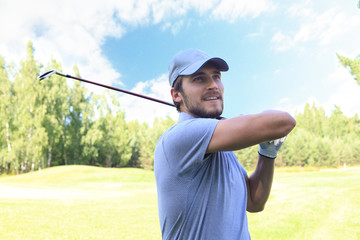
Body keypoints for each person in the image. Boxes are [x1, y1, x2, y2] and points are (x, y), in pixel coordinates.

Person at [154, 49, 296, 240]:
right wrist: (245, 121)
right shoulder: (183, 135)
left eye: (216, 77)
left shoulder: (222, 149)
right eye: (199, 79)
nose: (213, 85)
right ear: (176, 94)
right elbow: (284, 121)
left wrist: (267, 154)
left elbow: (254, 201)